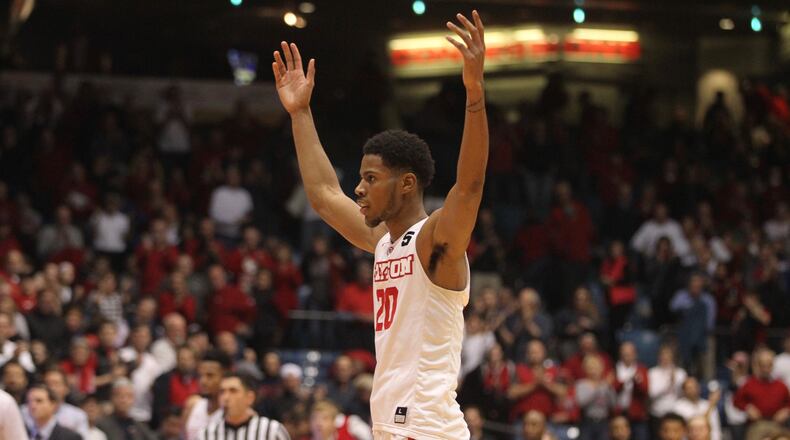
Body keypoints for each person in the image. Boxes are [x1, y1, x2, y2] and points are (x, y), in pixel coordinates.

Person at [272, 9, 488, 440]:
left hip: (427, 430)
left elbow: (468, 187)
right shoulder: (386, 243)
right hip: (392, 425)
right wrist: (300, 114)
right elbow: (324, 196)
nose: (359, 189)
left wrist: (475, 92)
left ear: (407, 184)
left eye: (370, 179)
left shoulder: (433, 241)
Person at [199, 373, 289, 440]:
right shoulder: (206, 435)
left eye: (233, 391)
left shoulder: (272, 431)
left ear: (250, 398)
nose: (226, 397)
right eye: (222, 392)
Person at [183, 350, 232, 440]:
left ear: (225, 376)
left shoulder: (233, 410)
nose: (203, 381)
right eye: (200, 375)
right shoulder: (192, 404)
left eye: (210, 375)